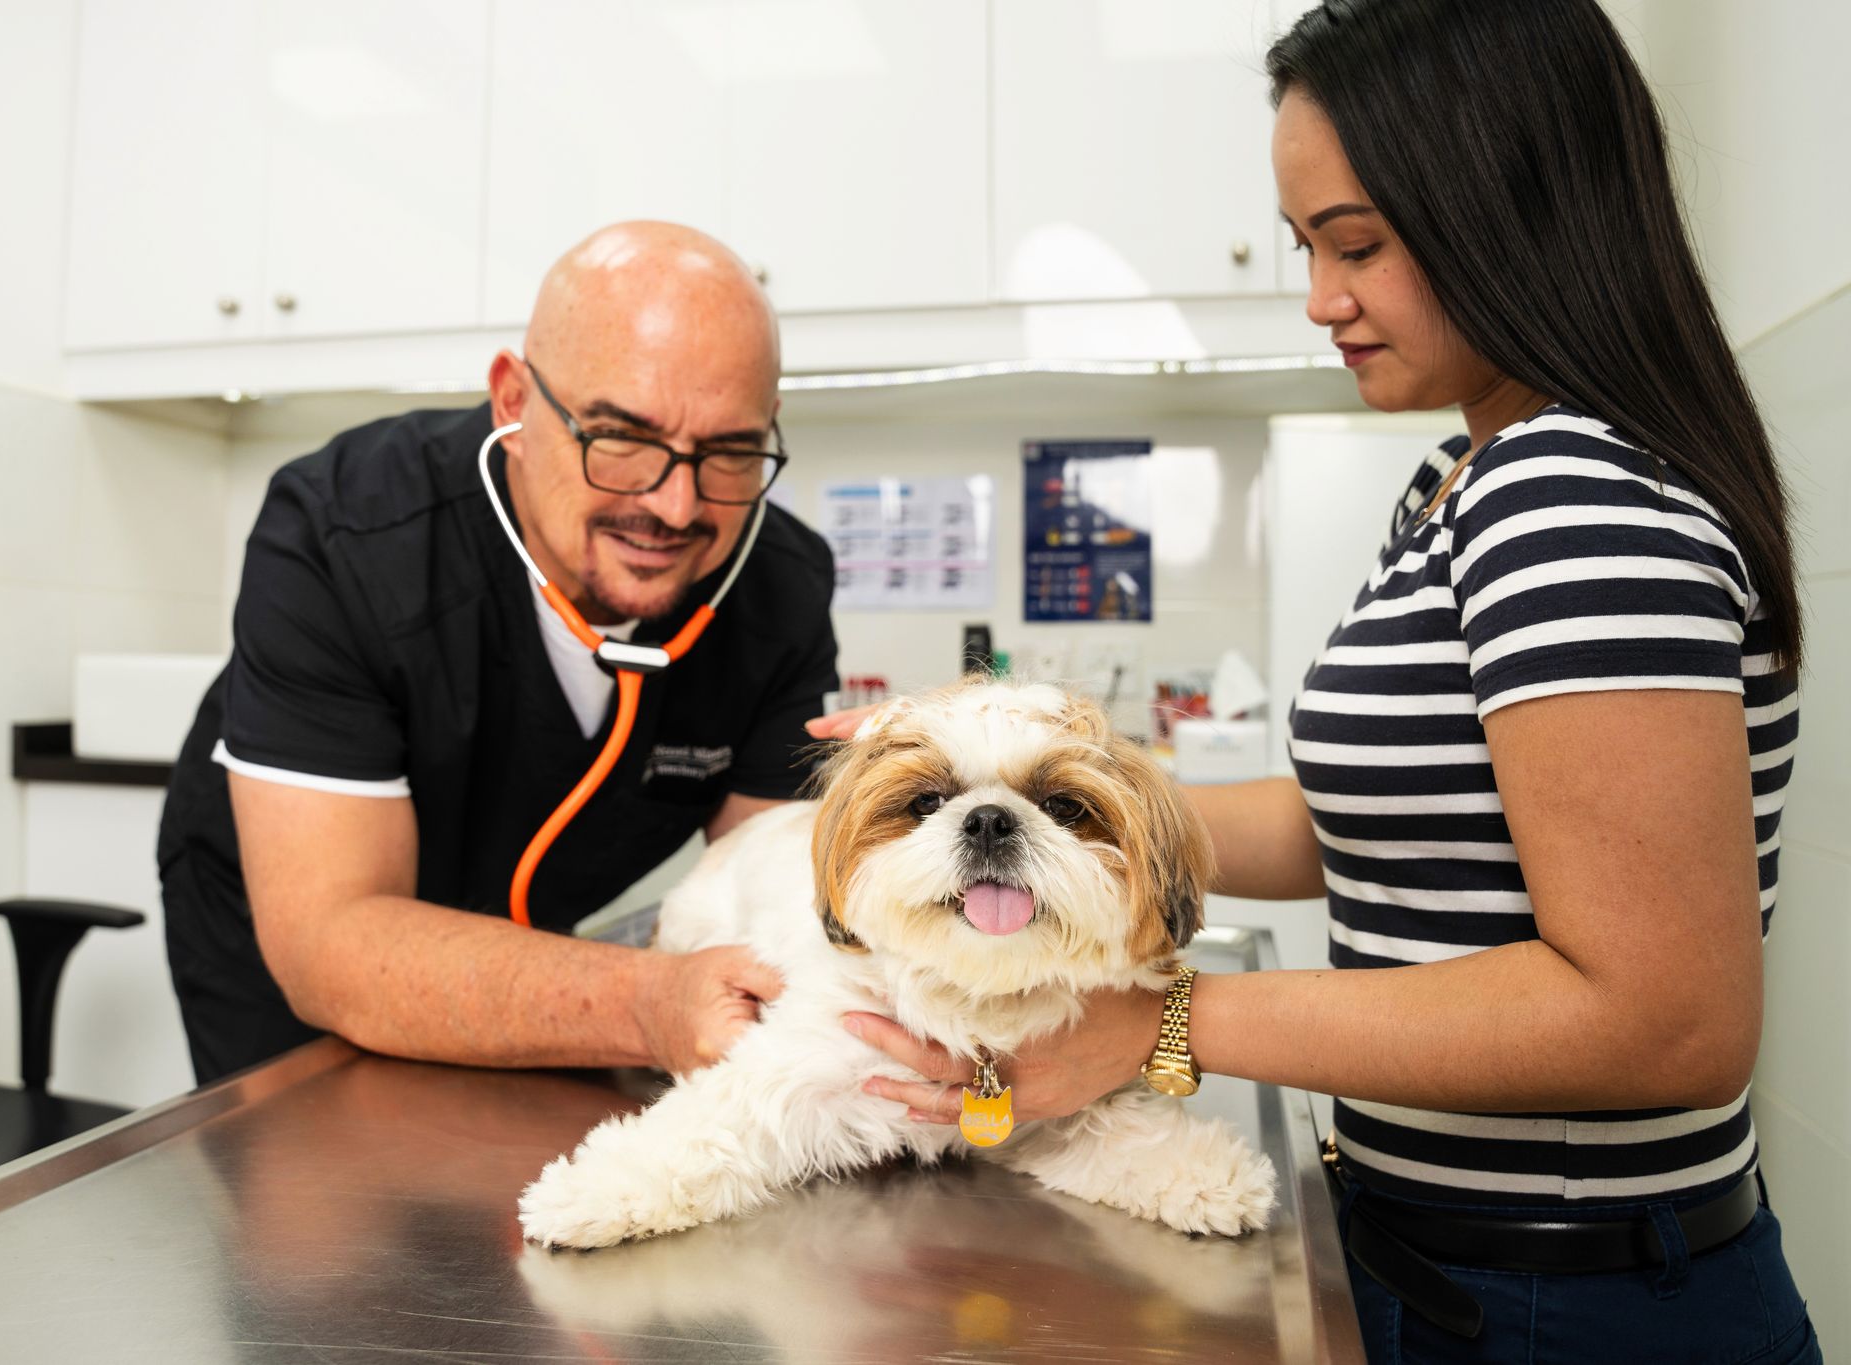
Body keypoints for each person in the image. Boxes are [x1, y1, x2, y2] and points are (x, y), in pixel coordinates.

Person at [827, 2, 1820, 1359]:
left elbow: (1666, 1021)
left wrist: (1164, 1024)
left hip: (1577, 1303)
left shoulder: (1572, 499)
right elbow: (1366, 819)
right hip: (1453, 1264)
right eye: (1307, 247)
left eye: (1356, 245)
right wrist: (1038, 790)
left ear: (1512, 211)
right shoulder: (1465, 482)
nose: (1320, 298)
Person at [158, 222, 837, 1086]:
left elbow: (773, 893)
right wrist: (643, 1002)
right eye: (619, 437)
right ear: (514, 405)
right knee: (316, 1193)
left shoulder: (780, 588)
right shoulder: (344, 535)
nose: (674, 506)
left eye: (731, 452)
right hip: (291, 931)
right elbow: (335, 938)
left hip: (542, 948)